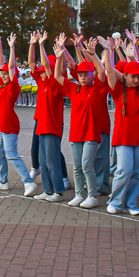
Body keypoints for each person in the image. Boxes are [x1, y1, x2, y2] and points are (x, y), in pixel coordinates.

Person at [102, 32, 139, 215]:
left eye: (138, 77)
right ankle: (115, 202)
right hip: (123, 138)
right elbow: (109, 71)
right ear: (125, 76)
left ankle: (130, 203)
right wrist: (108, 51)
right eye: (132, 76)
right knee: (124, 171)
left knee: (137, 173)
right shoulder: (118, 91)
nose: (136, 79)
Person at [56, 36, 107, 209]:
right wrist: (58, 57)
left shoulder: (98, 88)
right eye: (81, 74)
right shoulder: (74, 88)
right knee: (77, 166)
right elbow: (57, 76)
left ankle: (92, 195)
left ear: (92, 75)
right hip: (76, 134)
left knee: (86, 165)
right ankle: (79, 194)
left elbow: (102, 72)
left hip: (91, 134)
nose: (83, 77)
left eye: (86, 74)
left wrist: (93, 56)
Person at [0, 33, 37, 197]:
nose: (2, 75)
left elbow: (9, 66)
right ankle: (2, 181)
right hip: (1, 125)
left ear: (12, 74)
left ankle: (28, 182)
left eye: (5, 74)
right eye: (1, 74)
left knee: (11, 154)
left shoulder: (13, 86)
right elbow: (1, 64)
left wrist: (12, 47)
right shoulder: (2, 83)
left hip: (9, 124)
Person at [28, 31, 65, 202]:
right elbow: (31, 64)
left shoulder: (55, 84)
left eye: (44, 71)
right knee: (43, 162)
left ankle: (58, 191)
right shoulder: (41, 83)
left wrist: (42, 45)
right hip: (42, 126)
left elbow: (48, 68)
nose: (41, 73)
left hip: (52, 127)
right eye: (41, 72)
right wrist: (32, 44)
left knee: (52, 161)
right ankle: (48, 190)